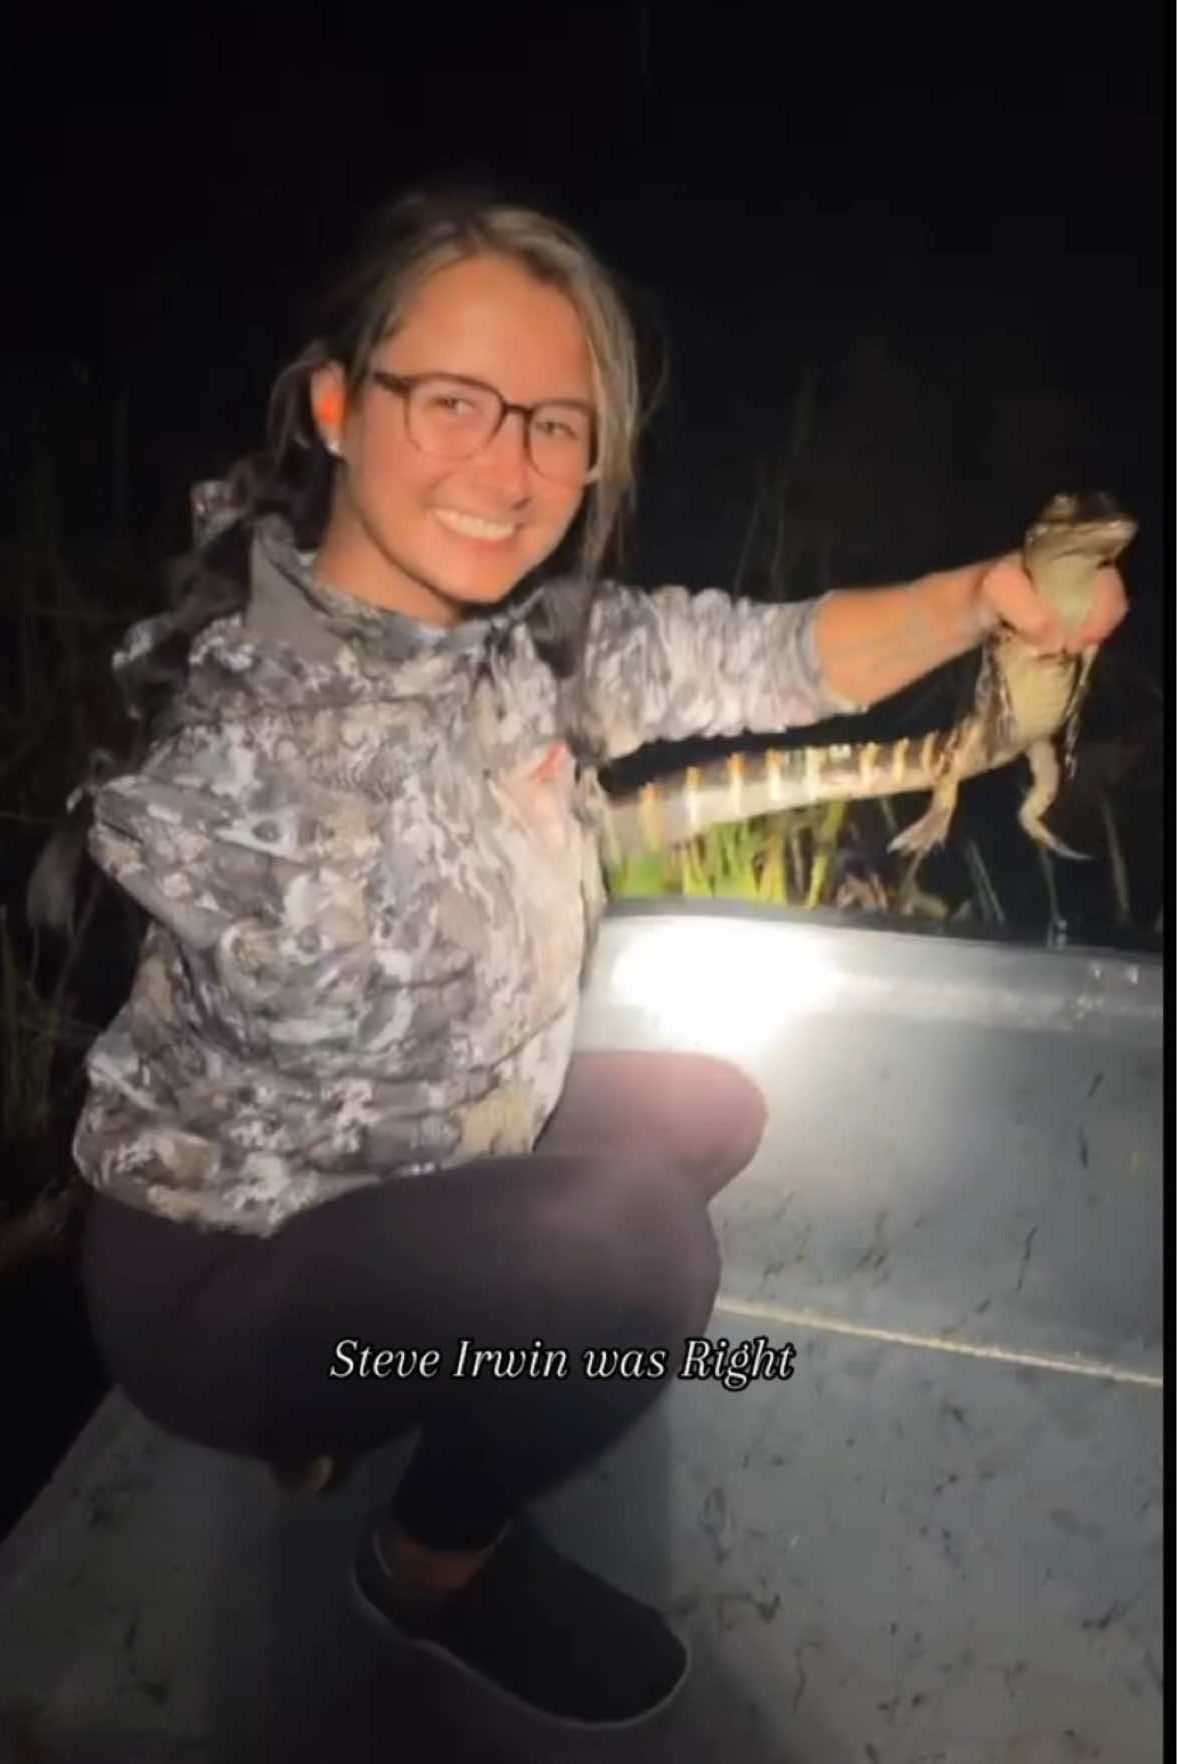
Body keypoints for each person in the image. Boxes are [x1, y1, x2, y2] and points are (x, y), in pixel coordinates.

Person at [68, 188, 1128, 1734]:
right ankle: (422, 1565)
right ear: (338, 409)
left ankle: (391, 1369)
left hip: (408, 1172)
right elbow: (341, 1013)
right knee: (630, 1258)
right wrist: (492, 818)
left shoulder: (497, 640)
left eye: (555, 425)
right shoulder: (233, 717)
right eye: (456, 403)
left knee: (705, 1112)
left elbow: (762, 658)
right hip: (228, 1265)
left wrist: (987, 602)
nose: (508, 467)